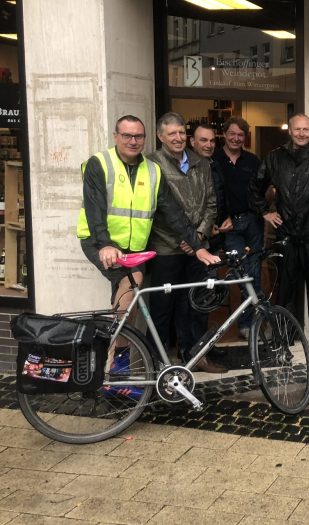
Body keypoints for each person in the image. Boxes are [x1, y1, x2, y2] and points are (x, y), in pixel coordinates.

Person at [77, 115, 220, 376]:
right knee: (130, 288)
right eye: (127, 136)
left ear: (145, 138)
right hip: (101, 242)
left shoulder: (151, 170)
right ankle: (113, 363)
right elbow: (94, 209)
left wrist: (197, 246)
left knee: (128, 300)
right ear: (116, 136)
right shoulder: (100, 164)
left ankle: (117, 360)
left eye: (138, 136)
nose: (133, 141)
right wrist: (105, 244)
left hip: (134, 248)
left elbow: (172, 213)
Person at [250, 113, 309, 355]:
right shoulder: (275, 158)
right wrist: (265, 213)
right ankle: (285, 337)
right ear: (289, 131)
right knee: (286, 291)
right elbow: (254, 188)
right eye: (297, 129)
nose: (302, 133)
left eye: (306, 129)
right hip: (287, 236)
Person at [146, 112, 225, 373]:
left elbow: (211, 203)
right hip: (166, 248)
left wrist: (199, 238)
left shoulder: (200, 162)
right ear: (160, 137)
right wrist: (185, 240)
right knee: (162, 308)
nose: (179, 138)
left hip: (197, 248)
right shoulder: (152, 164)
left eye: (181, 132)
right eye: (172, 134)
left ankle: (195, 356)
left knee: (195, 305)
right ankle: (156, 363)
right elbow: (156, 209)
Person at [212, 116, 262, 339]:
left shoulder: (253, 161)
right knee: (241, 273)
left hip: (252, 221)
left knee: (255, 273)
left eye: (240, 135)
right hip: (228, 225)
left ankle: (249, 324)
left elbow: (262, 189)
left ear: (245, 137)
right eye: (232, 133)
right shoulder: (213, 159)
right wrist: (222, 218)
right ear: (224, 134)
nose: (236, 138)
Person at [190, 123, 232, 251]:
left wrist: (228, 218)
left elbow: (221, 195)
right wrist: (205, 230)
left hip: (215, 236)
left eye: (212, 141)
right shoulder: (185, 167)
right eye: (203, 140)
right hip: (193, 239)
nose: (209, 145)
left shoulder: (215, 164)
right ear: (192, 142)